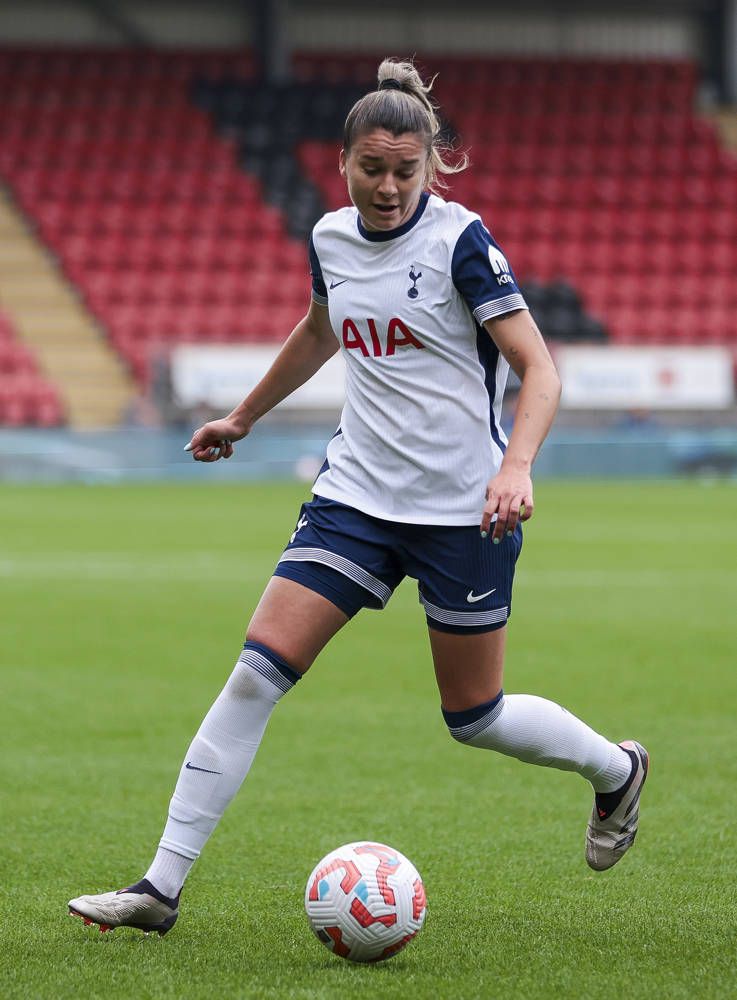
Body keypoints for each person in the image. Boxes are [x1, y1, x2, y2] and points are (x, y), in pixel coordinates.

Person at [69, 59, 648, 937]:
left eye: (404, 172)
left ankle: (615, 772)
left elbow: (538, 368)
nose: (386, 187)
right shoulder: (331, 239)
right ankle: (159, 889)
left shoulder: (460, 243)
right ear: (341, 162)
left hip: (464, 511)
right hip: (356, 500)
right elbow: (318, 331)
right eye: (370, 169)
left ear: (430, 166)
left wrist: (516, 466)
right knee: (255, 675)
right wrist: (243, 416)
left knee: (474, 718)